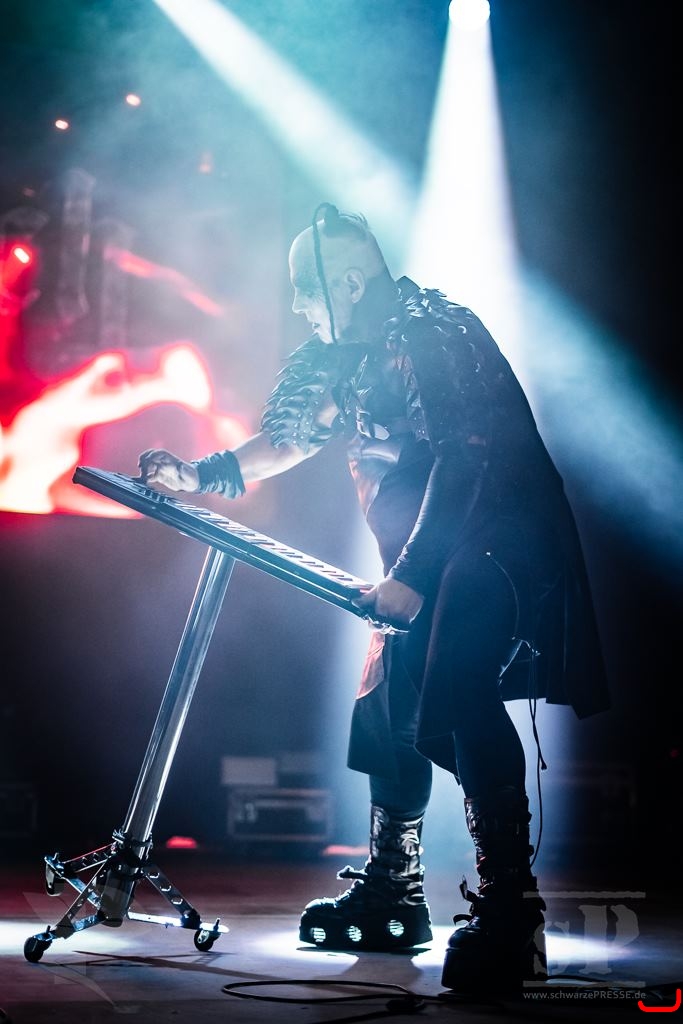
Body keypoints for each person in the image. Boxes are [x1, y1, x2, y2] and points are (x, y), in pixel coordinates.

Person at [138, 204, 610, 993]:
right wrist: (199, 475)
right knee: (385, 701)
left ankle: (510, 910)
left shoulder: (433, 337)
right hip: (425, 561)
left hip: (493, 547)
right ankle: (395, 888)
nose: (298, 303)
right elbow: (290, 437)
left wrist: (414, 574)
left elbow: (466, 459)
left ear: (349, 283)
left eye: (305, 287)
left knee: (459, 691)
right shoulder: (346, 356)